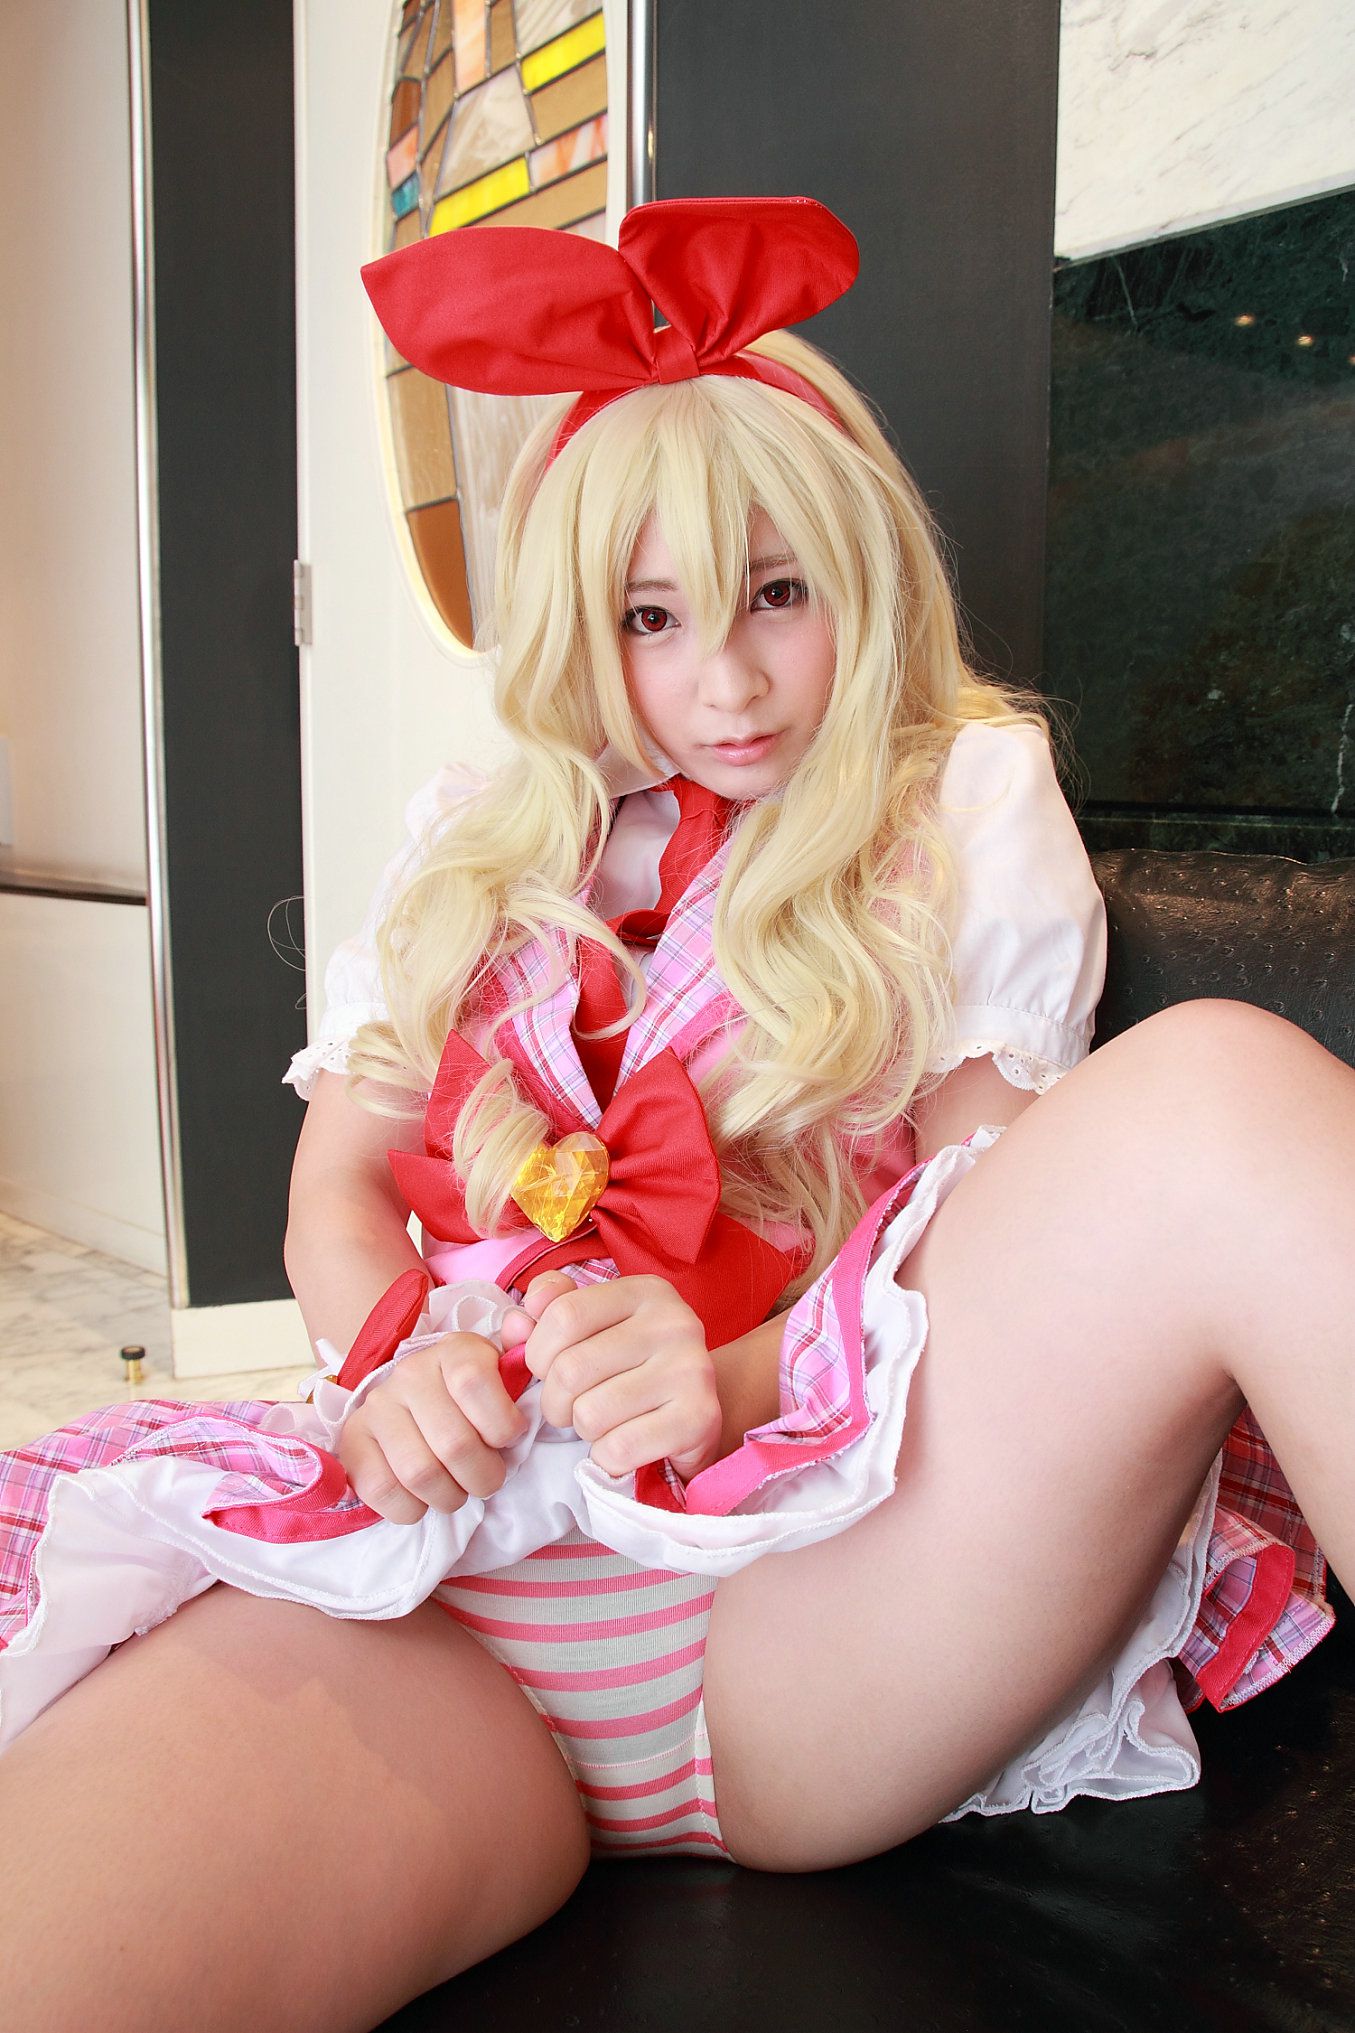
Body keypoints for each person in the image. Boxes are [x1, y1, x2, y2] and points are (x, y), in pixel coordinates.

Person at [1, 196, 1351, 2033]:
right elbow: (338, 1187)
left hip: (820, 1587)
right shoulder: (480, 840)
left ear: (865, 572)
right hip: (446, 1608)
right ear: (584, 625)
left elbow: (989, 1211)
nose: (725, 680)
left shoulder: (959, 794)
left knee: (1221, 1092)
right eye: (653, 617)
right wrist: (392, 1362)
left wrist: (731, 1373)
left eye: (778, 593)